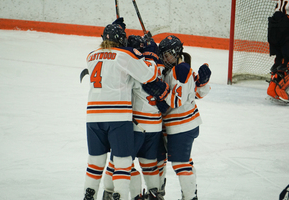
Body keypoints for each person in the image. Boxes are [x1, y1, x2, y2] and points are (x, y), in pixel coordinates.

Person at [82, 17, 159, 200]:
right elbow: (148, 75)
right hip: (117, 116)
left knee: (95, 161)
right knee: (123, 162)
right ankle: (121, 195)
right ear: (122, 40)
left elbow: (108, 59)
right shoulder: (125, 55)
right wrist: (149, 55)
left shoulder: (90, 56)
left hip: (93, 116)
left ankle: (88, 193)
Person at [143, 35, 211, 200]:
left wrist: (162, 92)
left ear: (177, 52)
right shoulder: (171, 69)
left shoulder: (180, 69)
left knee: (181, 164)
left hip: (182, 125)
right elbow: (197, 91)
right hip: (175, 126)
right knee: (175, 161)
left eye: (168, 54)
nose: (164, 58)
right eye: (163, 54)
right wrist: (201, 82)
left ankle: (190, 197)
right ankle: (166, 193)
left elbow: (177, 101)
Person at [102, 35, 167, 200]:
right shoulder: (158, 65)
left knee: (119, 162)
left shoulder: (131, 64)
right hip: (155, 125)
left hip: (136, 126)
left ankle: (110, 193)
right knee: (150, 163)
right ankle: (154, 194)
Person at [267, 0, 289, 102]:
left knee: (280, 60)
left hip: (275, 24)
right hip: (286, 22)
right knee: (287, 61)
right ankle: (280, 89)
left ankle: (272, 89)